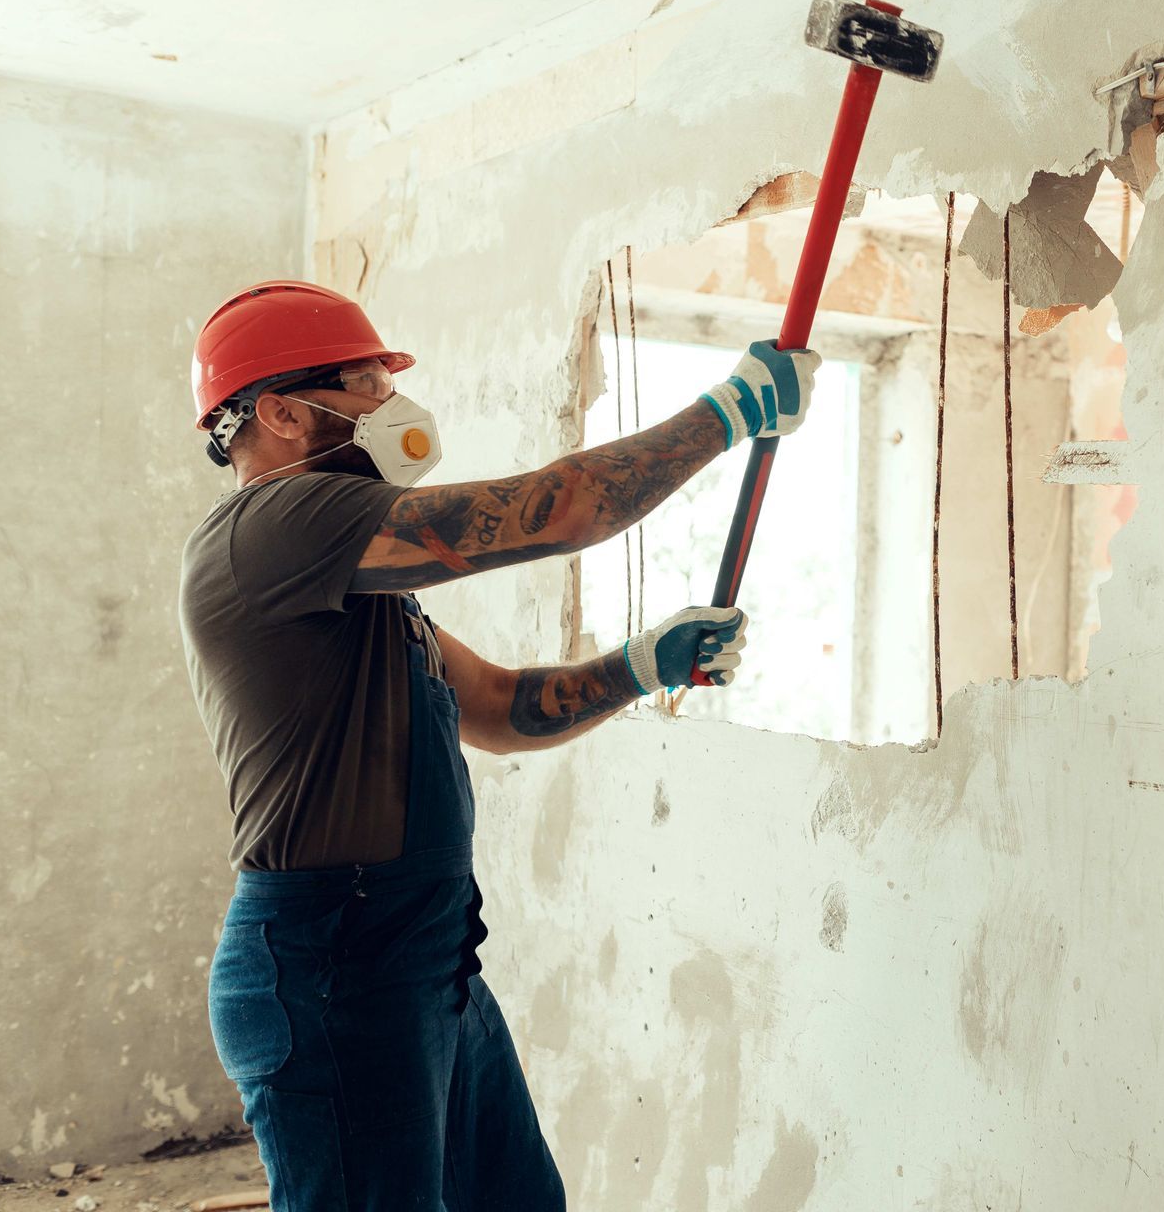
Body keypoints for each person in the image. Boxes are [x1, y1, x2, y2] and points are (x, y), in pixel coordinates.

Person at [177, 279, 818, 1209]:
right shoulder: (273, 523)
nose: (390, 408)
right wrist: (727, 414)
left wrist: (644, 662)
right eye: (364, 386)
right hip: (333, 970)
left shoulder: (366, 600)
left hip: (425, 962)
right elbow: (560, 509)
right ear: (279, 411)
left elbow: (504, 708)